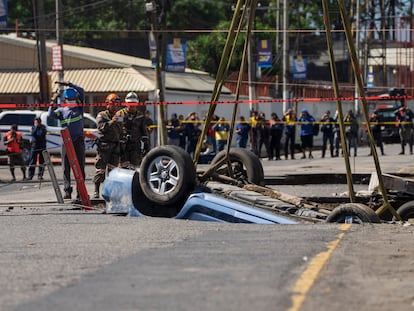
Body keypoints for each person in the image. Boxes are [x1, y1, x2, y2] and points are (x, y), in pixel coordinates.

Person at [48, 82, 85, 200]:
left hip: (78, 141)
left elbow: (82, 90)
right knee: (66, 167)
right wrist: (53, 101)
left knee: (80, 167)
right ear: (65, 99)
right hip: (66, 142)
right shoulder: (61, 111)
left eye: (73, 98)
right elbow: (50, 114)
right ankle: (67, 191)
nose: (71, 100)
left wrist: (70, 84)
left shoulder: (80, 108)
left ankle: (81, 191)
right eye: (69, 98)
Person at [92, 93, 123, 198]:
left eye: (117, 104)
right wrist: (112, 122)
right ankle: (96, 190)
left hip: (115, 146)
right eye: (113, 104)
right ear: (108, 104)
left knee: (113, 171)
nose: (115, 106)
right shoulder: (102, 115)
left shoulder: (120, 115)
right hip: (104, 146)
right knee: (100, 170)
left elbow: (122, 129)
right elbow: (101, 128)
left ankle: (110, 192)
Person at [118, 91, 148, 169]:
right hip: (123, 147)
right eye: (130, 104)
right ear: (126, 103)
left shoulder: (140, 116)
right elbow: (116, 129)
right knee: (123, 168)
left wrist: (146, 146)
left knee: (136, 167)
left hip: (136, 146)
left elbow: (144, 132)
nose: (131, 106)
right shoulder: (120, 114)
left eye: (133, 104)